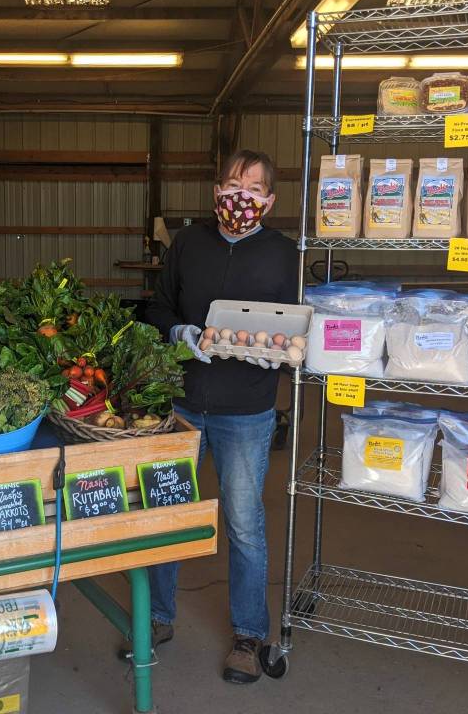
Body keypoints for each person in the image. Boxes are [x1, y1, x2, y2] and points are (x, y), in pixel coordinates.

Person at [142, 149, 297, 683]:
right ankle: (156, 617)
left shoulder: (282, 253)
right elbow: (157, 306)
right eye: (233, 185)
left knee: (244, 523)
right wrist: (177, 331)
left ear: (269, 202)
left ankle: (249, 635)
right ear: (216, 192)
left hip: (246, 409)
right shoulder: (188, 243)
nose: (241, 197)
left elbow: (297, 325)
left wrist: (280, 352)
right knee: (166, 512)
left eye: (253, 189)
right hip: (182, 403)